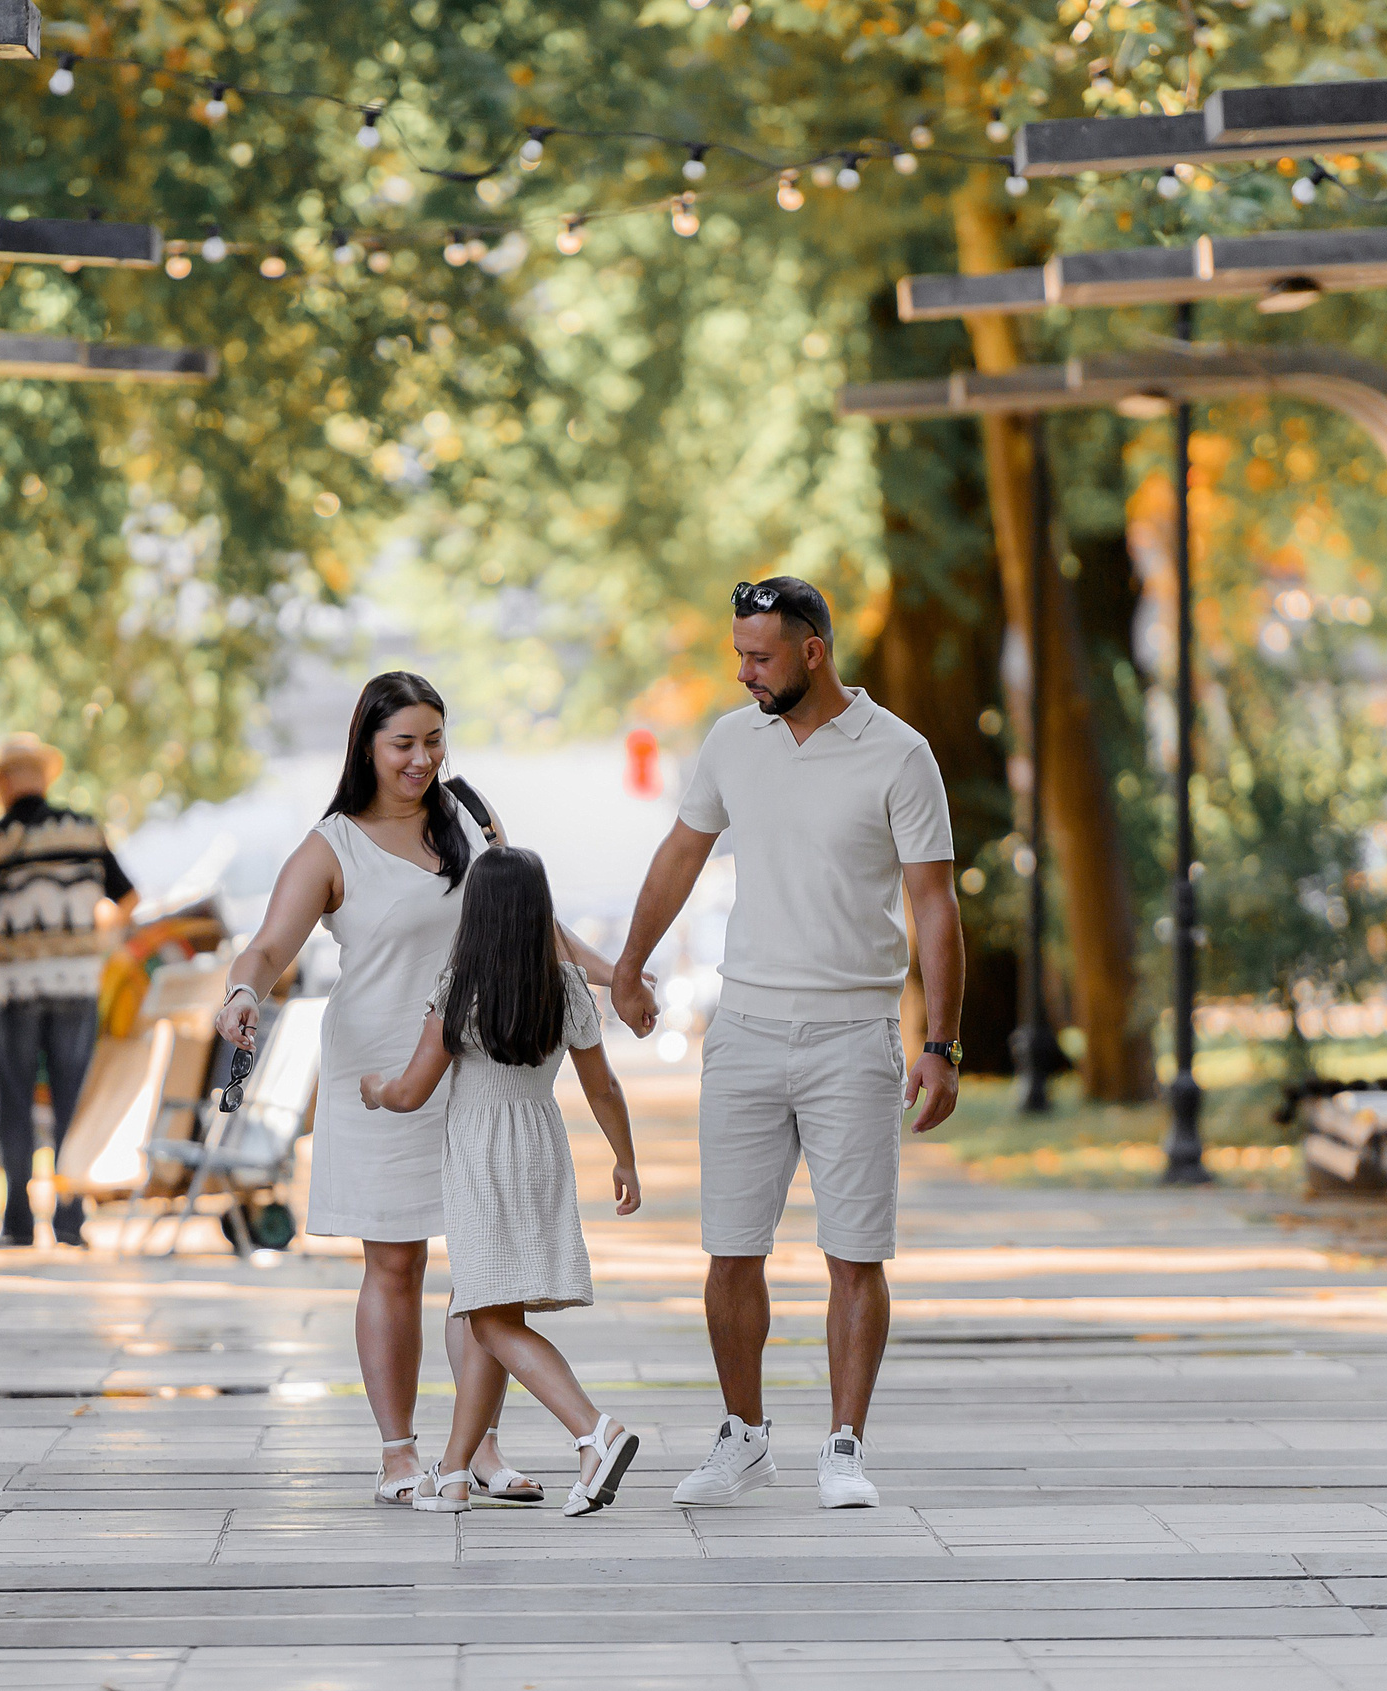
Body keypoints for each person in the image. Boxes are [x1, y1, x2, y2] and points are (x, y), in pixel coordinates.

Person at [218, 672, 626, 1508]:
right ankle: (399, 1453)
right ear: (367, 744)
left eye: (434, 739)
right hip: (379, 1071)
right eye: (404, 742)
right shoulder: (332, 845)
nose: (422, 758)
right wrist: (240, 995)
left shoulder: (471, 822)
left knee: (483, 1273)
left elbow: (531, 921)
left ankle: (475, 1450)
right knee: (395, 1264)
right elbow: (267, 947)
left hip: (473, 1072)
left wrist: (616, 976)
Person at [611, 576, 965, 1511]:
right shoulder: (733, 742)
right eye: (739, 655)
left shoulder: (900, 753)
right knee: (731, 1250)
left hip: (855, 1030)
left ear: (814, 650)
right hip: (747, 1028)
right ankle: (744, 1433)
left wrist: (944, 1043)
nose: (744, 674)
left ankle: (844, 1446)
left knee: (855, 1251)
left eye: (760, 657)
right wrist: (630, 963)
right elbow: (681, 854)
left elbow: (935, 901)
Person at [359, 846, 643, 1517]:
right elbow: (602, 1084)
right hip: (542, 1149)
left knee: (489, 1314)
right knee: (490, 1306)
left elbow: (412, 1089)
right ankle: (455, 1471)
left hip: (482, 1157)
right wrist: (624, 1157)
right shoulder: (567, 984)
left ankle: (593, 1429)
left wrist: (375, 1089)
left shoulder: (460, 986)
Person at [0, 733, 137, 1249]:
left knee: (14, 1101)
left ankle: (15, 1224)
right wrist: (93, 938)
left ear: (4, 784)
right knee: (70, 1100)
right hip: (76, 985)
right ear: (43, 777)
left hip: (14, 991)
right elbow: (128, 897)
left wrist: (3, 944)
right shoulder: (84, 831)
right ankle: (70, 1219)